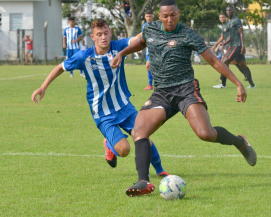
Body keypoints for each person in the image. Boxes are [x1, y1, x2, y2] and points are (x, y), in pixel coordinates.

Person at [110, 0, 257, 197]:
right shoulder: (150, 29)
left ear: (179, 13)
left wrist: (238, 83)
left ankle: (239, 142)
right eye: (165, 16)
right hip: (161, 93)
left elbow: (213, 60)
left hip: (186, 89)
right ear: (159, 16)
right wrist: (122, 53)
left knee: (206, 133)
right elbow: (140, 43)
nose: (169, 19)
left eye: (173, 15)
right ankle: (144, 181)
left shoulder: (188, 34)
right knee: (139, 131)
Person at [32, 19, 169, 178]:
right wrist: (43, 87)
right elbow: (60, 68)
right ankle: (109, 145)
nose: (103, 37)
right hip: (102, 112)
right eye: (99, 35)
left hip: (124, 105)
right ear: (92, 37)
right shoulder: (84, 57)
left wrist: (152, 28)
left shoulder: (118, 47)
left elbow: (136, 39)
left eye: (106, 33)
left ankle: (160, 170)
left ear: (110, 33)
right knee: (124, 150)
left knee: (143, 136)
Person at [214, 6, 256, 89]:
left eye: (230, 10)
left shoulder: (236, 20)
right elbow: (231, 36)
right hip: (233, 45)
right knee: (243, 65)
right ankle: (252, 85)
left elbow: (241, 33)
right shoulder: (230, 22)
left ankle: (223, 84)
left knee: (224, 63)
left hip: (237, 45)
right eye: (227, 10)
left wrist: (243, 46)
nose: (228, 11)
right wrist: (224, 43)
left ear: (233, 11)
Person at [211, 13, 246, 87]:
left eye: (223, 17)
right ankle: (246, 76)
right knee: (233, 63)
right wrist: (216, 45)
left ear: (226, 17)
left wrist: (222, 44)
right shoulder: (223, 26)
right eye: (220, 18)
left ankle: (223, 82)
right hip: (228, 46)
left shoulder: (229, 24)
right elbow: (222, 37)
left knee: (224, 63)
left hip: (232, 46)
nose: (221, 19)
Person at [142, 10, 155, 90]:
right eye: (147, 16)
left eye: (150, 16)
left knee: (149, 65)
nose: (148, 18)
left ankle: (151, 85)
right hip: (148, 49)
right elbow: (143, 37)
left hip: (155, 48)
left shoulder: (156, 25)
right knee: (148, 66)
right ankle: (150, 85)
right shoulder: (144, 26)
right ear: (145, 17)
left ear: (153, 16)